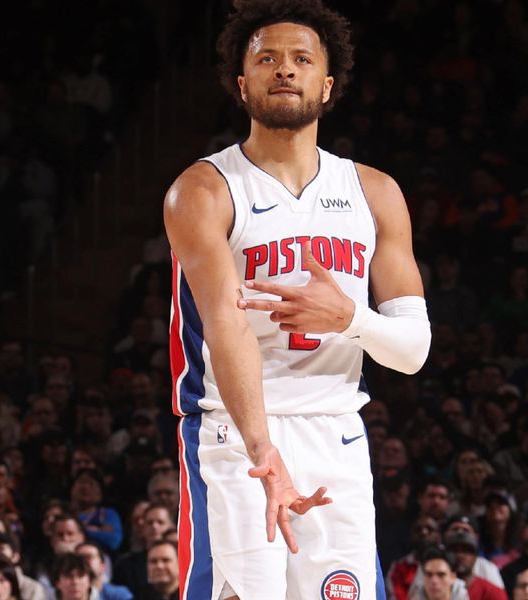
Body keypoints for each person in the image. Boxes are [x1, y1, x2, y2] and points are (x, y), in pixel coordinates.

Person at [163, 1, 430, 598]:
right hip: (236, 439)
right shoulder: (203, 189)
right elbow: (226, 327)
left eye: (302, 59)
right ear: (242, 83)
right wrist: (265, 453)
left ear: (326, 84)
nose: (284, 69)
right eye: (267, 58)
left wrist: (351, 318)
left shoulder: (375, 193)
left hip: (337, 432)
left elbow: (412, 351)